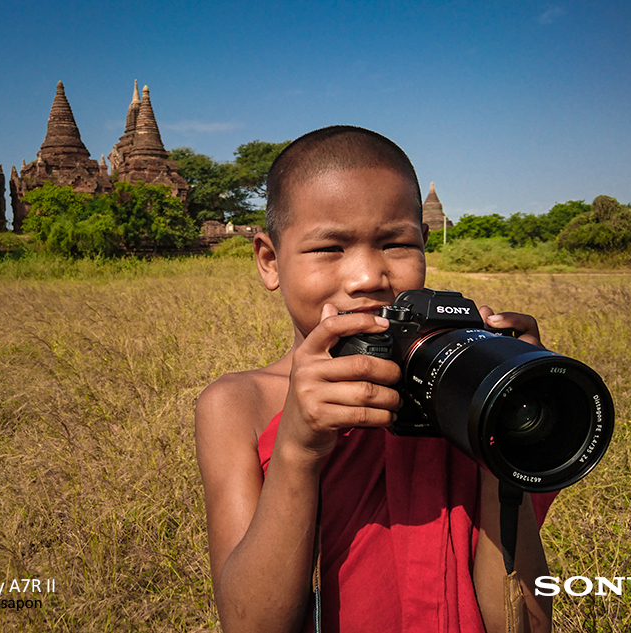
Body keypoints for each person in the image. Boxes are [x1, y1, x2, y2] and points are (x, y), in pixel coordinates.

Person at [195, 126, 555, 633]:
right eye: (329, 248)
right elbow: (249, 624)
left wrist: (503, 416)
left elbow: (524, 625)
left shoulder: (463, 387)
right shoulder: (239, 404)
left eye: (395, 243)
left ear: (425, 244)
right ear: (270, 260)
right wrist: (297, 450)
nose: (368, 276)